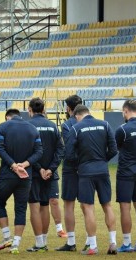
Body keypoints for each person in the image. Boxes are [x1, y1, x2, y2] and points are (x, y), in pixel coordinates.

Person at [65, 105, 118, 255]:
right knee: (107, 205)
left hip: (85, 172)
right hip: (102, 170)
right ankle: (113, 242)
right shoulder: (105, 124)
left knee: (88, 207)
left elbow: (69, 154)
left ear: (76, 116)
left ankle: (93, 245)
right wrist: (102, 160)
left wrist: (81, 163)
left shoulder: (75, 128)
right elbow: (113, 150)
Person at [0, 108, 43, 254]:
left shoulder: (3, 126)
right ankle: (16, 244)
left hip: (7, 174)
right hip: (26, 175)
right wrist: (25, 164)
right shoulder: (32, 128)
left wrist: (13, 165)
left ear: (7, 117)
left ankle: (6, 236)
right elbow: (39, 151)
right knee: (21, 208)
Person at [25, 98, 64, 252]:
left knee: (34, 206)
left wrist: (40, 168)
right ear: (43, 109)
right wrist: (51, 169)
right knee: (45, 206)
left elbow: (28, 151)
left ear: (30, 109)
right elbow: (60, 150)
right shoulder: (53, 126)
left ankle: (39, 242)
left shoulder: (28, 126)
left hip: (34, 173)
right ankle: (44, 241)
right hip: (50, 173)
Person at [115, 100, 136, 253]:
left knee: (125, 208)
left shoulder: (122, 130)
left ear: (126, 111)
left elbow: (118, 147)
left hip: (125, 173)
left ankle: (127, 242)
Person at [56, 94, 84, 251]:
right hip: (86, 167)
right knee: (87, 205)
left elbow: (69, 147)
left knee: (69, 205)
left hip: (71, 168)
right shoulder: (91, 122)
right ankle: (90, 241)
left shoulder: (67, 125)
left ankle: (71, 242)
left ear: (68, 108)